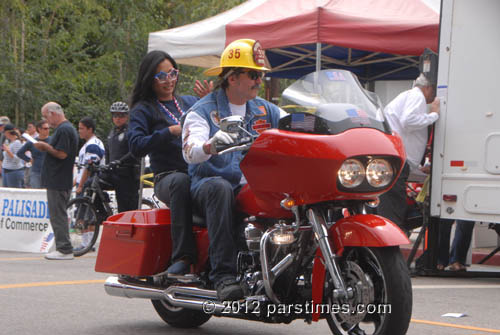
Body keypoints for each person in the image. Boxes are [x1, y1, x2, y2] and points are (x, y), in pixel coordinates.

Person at [182, 38, 281, 301]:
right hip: (208, 185)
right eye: (253, 74)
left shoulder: (264, 109)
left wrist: (322, 123)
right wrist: (209, 145)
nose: (259, 80)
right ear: (232, 77)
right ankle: (223, 275)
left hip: (250, 185)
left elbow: (293, 123)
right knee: (221, 187)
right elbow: (190, 150)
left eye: (260, 75)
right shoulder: (202, 111)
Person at [128, 50, 200, 276]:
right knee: (180, 182)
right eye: (162, 76)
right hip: (167, 177)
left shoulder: (190, 102)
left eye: (172, 74)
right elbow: (136, 145)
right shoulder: (143, 109)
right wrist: (168, 132)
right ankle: (182, 256)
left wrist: (212, 101)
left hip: (198, 171)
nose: (169, 81)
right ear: (149, 79)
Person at [377, 73, 440, 232]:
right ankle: (392, 236)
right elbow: (408, 120)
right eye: (434, 91)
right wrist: (434, 115)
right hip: (397, 157)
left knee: (390, 201)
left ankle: (390, 233)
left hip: (393, 155)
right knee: (393, 203)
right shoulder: (416, 96)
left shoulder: (407, 95)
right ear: (428, 88)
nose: (434, 96)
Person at [34, 102, 78, 260]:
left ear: (53, 113)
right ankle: (63, 246)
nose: (46, 121)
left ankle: (64, 249)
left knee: (57, 214)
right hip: (59, 178)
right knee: (58, 213)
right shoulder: (65, 129)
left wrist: (45, 147)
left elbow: (62, 154)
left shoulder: (64, 129)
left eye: (46, 117)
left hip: (58, 179)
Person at [105, 101, 140, 212]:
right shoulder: (112, 132)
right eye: (115, 115)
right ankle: (101, 213)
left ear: (126, 116)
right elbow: (108, 152)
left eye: (121, 115)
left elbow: (134, 152)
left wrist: (120, 161)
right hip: (114, 172)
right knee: (91, 184)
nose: (118, 118)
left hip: (128, 174)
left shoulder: (131, 131)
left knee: (125, 206)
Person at [17, 120, 51, 188]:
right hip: (36, 171)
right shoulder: (32, 141)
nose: (48, 130)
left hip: (49, 172)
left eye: (48, 128)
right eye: (45, 128)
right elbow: (19, 153)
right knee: (36, 192)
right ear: (39, 129)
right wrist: (29, 159)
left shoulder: (52, 140)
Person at [75, 116, 105, 195]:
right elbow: (82, 167)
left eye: (82, 129)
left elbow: (89, 168)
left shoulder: (93, 145)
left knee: (83, 207)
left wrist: (81, 185)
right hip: (83, 183)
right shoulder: (88, 144)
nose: (79, 131)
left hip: (88, 185)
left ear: (90, 129)